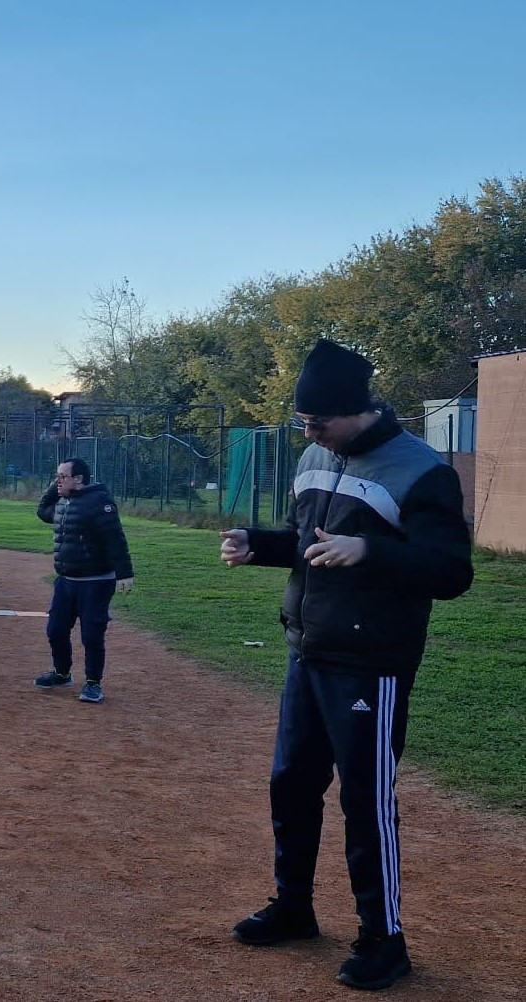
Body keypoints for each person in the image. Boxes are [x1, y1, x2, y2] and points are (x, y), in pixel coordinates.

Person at [222, 339, 473, 992]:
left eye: (318, 423)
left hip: (370, 666)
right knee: (291, 786)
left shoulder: (421, 471)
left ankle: (383, 940)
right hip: (309, 651)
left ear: (356, 410)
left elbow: (451, 571)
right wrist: (261, 546)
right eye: (303, 423)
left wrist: (371, 550)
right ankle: (294, 906)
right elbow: (312, 546)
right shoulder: (313, 457)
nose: (309, 434)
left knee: (365, 803)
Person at [33, 457, 134, 704]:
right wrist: (55, 486)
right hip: (66, 580)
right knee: (55, 629)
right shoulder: (63, 501)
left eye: (63, 476)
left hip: (96, 581)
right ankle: (61, 673)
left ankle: (93, 683)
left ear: (78, 479)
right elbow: (42, 511)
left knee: (91, 634)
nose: (58, 481)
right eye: (57, 476)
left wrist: (125, 573)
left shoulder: (99, 502)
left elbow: (115, 539)